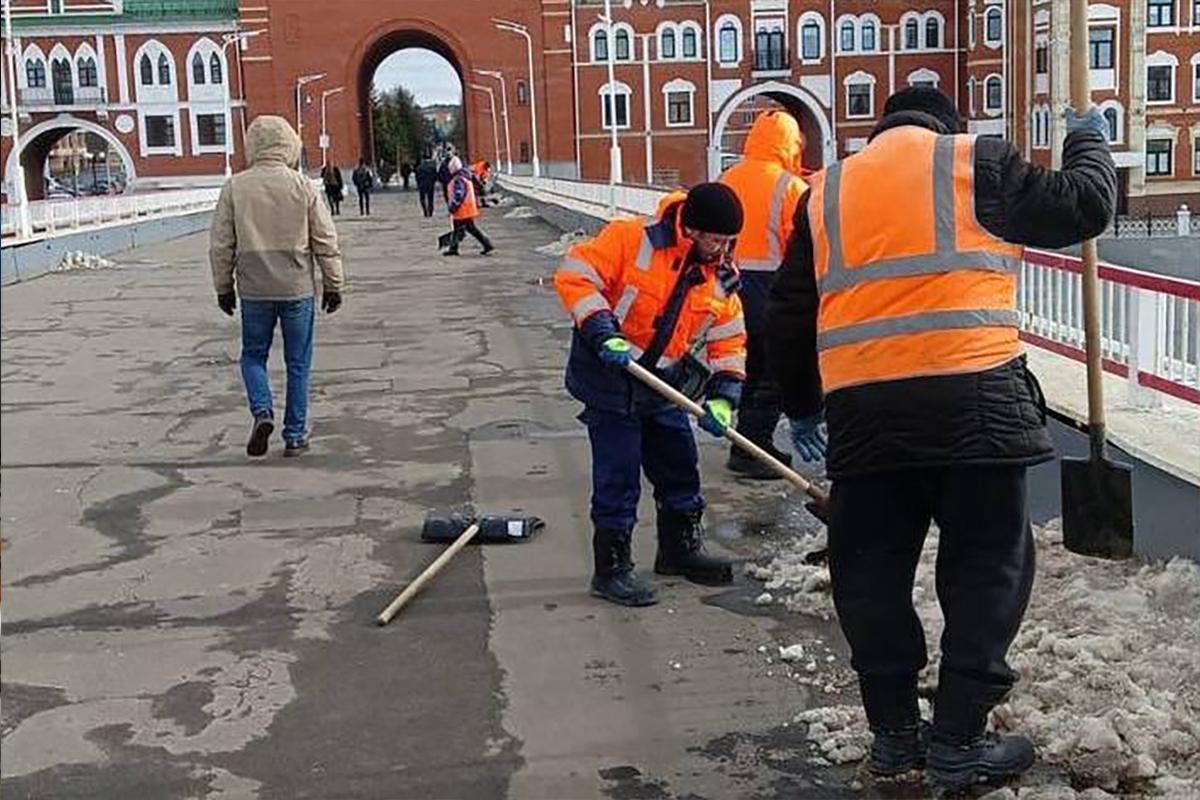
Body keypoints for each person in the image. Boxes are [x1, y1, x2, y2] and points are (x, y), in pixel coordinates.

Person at [765, 88, 1116, 789]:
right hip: (974, 402)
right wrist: (1087, 139)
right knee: (986, 568)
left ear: (881, 130)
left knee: (869, 575)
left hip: (865, 415)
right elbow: (1084, 206)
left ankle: (895, 737)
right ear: (947, 126)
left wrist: (802, 409)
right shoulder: (974, 162)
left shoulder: (825, 192)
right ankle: (958, 739)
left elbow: (789, 314)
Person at [553, 183, 749, 607]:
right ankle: (611, 569)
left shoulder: (721, 277)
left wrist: (723, 395)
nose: (724, 250)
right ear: (691, 230)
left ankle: (679, 550)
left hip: (662, 383)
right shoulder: (630, 239)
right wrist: (601, 329)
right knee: (618, 475)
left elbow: (729, 339)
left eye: (730, 241)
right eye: (717, 240)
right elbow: (576, 276)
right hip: (610, 375)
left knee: (679, 466)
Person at [209, 115, 345, 458]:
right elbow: (325, 239)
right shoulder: (303, 186)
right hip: (297, 288)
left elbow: (221, 244)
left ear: (252, 145)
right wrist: (333, 284)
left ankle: (262, 411)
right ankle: (295, 435)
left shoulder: (235, 187)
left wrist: (223, 287)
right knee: (298, 363)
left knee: (253, 355)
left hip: (254, 289)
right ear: (289, 145)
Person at [718, 110, 808, 479]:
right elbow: (803, 248)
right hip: (772, 291)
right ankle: (751, 447)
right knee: (773, 375)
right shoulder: (791, 187)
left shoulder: (728, 177)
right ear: (790, 144)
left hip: (727, 288)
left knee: (745, 369)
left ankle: (744, 440)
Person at [443, 156, 494, 257]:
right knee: (463, 228)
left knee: (468, 228)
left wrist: (453, 207)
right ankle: (454, 248)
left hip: (462, 209)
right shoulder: (465, 176)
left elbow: (459, 194)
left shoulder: (458, 179)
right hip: (466, 207)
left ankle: (486, 244)